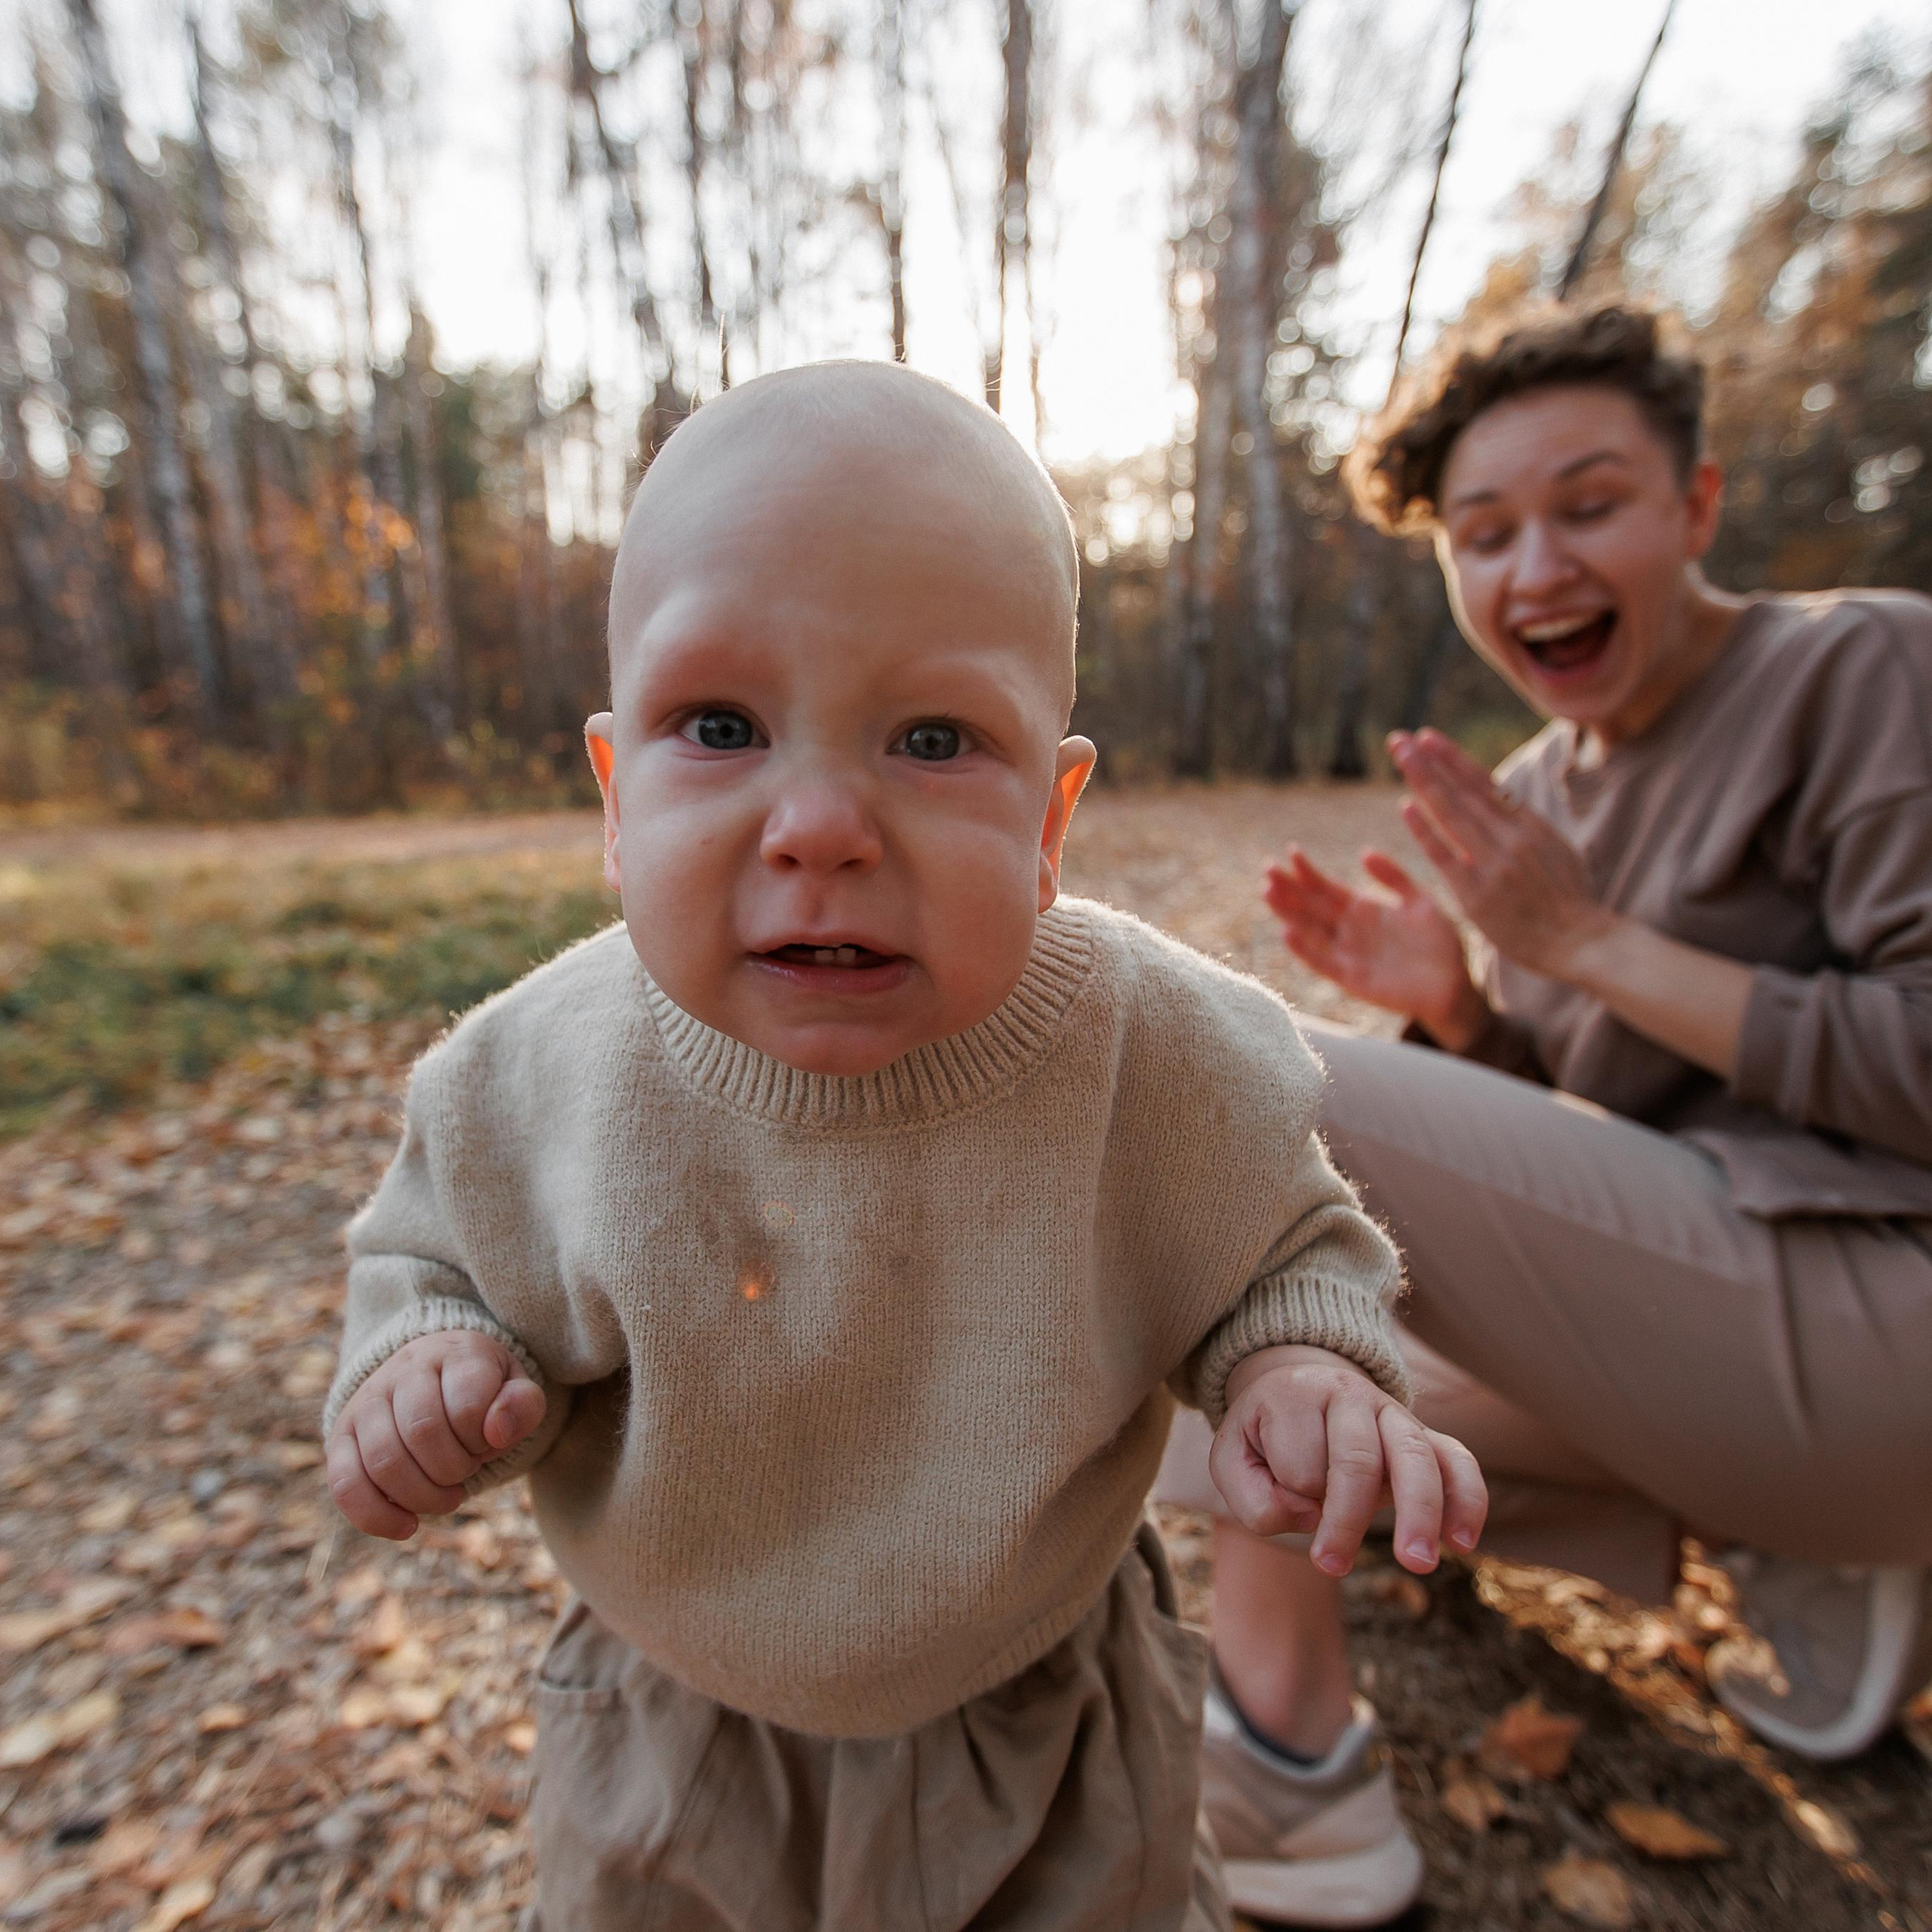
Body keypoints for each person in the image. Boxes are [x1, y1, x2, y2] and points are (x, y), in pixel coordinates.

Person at [319, 361, 1486, 1932]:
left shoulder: (1155, 1049)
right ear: (613, 796)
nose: (821, 823)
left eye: (934, 738)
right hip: (671, 1730)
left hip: (1050, 1721)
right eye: (718, 725)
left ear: (1051, 816)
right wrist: (424, 1363)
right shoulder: (529, 1076)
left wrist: (1297, 1372)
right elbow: (428, 1257)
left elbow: (1280, 1247)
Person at [1155, 303, 1932, 1927]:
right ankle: (1805, 1533)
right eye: (1483, 533)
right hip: (1746, 1331)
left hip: (1890, 1316)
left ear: (1696, 505)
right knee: (1230, 1420)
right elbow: (1608, 1183)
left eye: (1587, 506)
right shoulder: (1547, 793)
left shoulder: (1855, 664)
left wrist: (1583, 944)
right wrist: (1462, 1009)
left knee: (1260, 1075)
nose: (1532, 570)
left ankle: (1288, 1782)